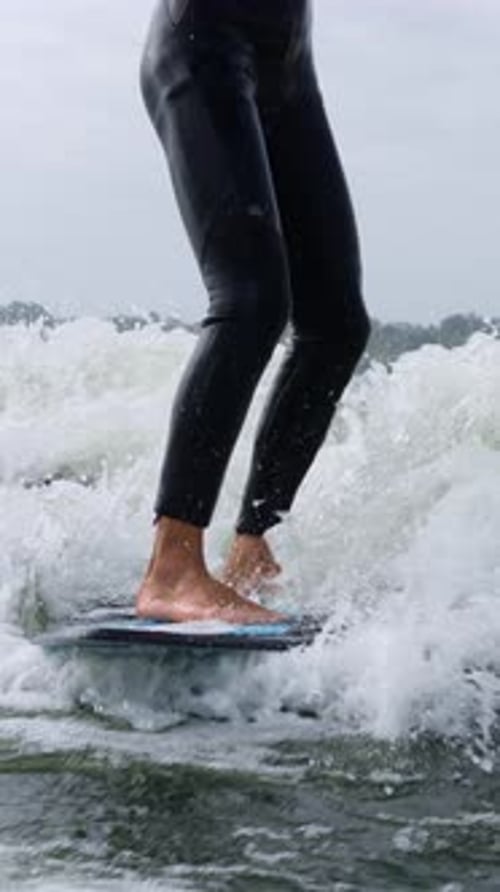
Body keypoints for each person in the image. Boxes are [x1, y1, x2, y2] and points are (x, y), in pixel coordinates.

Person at [136, 0, 370, 624]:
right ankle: (173, 566)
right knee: (251, 302)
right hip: (202, 43)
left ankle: (250, 547)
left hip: (288, 68)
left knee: (337, 324)